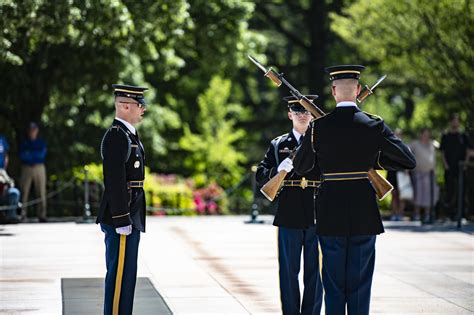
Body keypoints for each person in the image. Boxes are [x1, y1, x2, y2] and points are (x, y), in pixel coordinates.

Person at [294, 65, 416, 315]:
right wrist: (374, 162)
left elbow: (302, 166)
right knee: (360, 285)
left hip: (330, 213)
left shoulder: (319, 127)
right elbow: (407, 159)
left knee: (334, 285)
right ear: (358, 89)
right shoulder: (374, 125)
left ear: (333, 91)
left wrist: (326, 166)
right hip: (364, 214)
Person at [256, 96, 323, 315]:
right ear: (290, 115)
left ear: (312, 115)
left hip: (316, 212)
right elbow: (260, 174)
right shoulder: (278, 144)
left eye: (306, 112)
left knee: (316, 273)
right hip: (288, 213)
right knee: (288, 271)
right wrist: (277, 171)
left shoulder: (321, 142)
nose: (302, 115)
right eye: (298, 111)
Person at [97, 84, 148, 315]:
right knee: (119, 278)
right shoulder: (117, 136)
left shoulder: (128, 134)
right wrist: (121, 218)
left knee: (127, 277)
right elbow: (115, 180)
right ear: (126, 106)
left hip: (131, 213)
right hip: (123, 215)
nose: (143, 110)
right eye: (140, 105)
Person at [440, 113, 473, 219]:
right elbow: (442, 152)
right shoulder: (445, 136)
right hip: (449, 168)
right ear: (450, 122)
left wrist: (466, 163)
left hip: (461, 168)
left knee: (462, 191)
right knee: (449, 190)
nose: (455, 122)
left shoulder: (464, 136)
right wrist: (445, 164)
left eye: (457, 120)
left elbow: (469, 151)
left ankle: (462, 213)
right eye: (454, 120)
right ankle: (449, 214)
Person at [19, 122, 47, 222]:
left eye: (34, 130)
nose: (33, 132)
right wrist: (33, 156)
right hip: (27, 167)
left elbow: (42, 154)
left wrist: (30, 155)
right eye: (31, 130)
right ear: (28, 131)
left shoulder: (41, 142)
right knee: (24, 191)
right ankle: (22, 214)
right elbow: (22, 155)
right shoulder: (24, 143)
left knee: (41, 191)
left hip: (39, 167)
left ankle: (42, 215)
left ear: (37, 131)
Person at [410, 128, 438, 223]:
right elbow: (407, 153)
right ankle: (416, 214)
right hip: (418, 172)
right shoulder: (415, 144)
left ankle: (427, 214)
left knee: (429, 194)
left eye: (428, 134)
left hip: (430, 173)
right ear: (421, 134)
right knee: (418, 193)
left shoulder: (432, 144)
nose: (426, 136)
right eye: (425, 134)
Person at [0, 134, 20, 223]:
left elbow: (6, 155)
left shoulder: (2, 139)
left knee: (14, 192)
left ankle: (11, 216)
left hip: (2, 171)